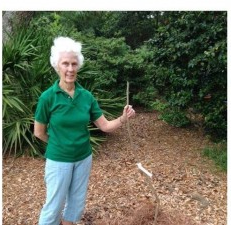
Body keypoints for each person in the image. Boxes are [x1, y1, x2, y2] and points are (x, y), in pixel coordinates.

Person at [34, 36, 136, 225]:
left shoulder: (86, 96)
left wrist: (123, 118)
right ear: (57, 65)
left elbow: (104, 126)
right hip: (59, 161)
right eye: (65, 64)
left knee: (75, 205)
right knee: (53, 207)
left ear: (78, 66)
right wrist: (60, 144)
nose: (70, 69)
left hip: (83, 158)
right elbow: (39, 132)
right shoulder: (47, 97)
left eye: (74, 64)